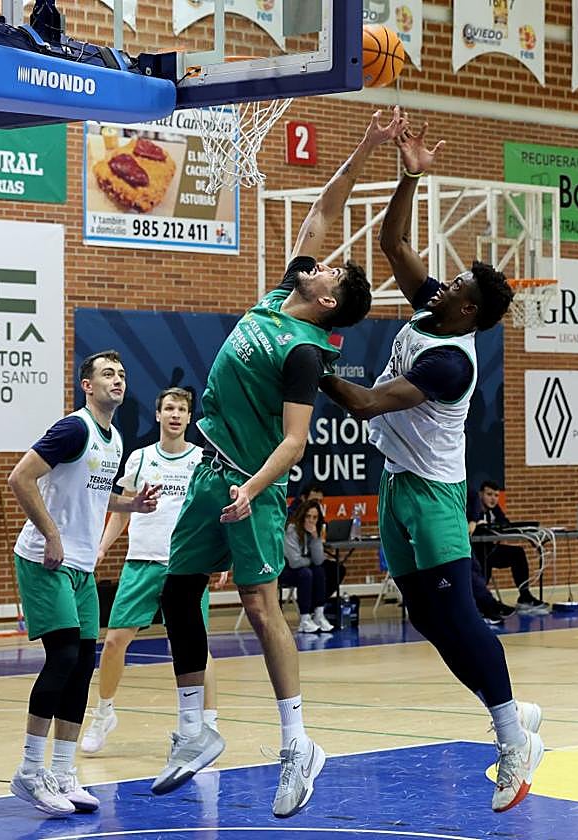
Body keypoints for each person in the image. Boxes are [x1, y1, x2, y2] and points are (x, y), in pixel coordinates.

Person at [151, 108, 397, 818]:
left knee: (261, 608)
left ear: (326, 302)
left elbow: (295, 442)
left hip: (250, 486)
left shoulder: (303, 350)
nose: (322, 262)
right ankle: (194, 729)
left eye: (330, 272)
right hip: (211, 468)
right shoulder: (276, 297)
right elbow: (324, 210)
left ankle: (298, 742)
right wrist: (364, 146)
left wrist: (252, 489)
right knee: (178, 593)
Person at [318, 118, 544, 813]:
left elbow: (362, 403)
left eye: (454, 285)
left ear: (468, 310)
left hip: (436, 497)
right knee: (427, 618)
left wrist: (298, 356)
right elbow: (391, 242)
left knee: (465, 620)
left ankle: (512, 740)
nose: (439, 282)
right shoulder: (433, 312)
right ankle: (511, 710)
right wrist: (410, 171)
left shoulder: (451, 360)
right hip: (397, 486)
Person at [6, 350, 160, 817]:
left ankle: (63, 770)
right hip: (45, 559)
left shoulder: (113, 439)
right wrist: (51, 533)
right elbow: (21, 477)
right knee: (64, 656)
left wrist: (130, 505)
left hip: (81, 567)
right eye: (107, 374)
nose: (117, 379)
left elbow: (93, 489)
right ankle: (30, 772)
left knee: (81, 665)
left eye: (122, 373)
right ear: (87, 386)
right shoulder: (74, 427)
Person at [82, 387, 227, 755]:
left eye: (182, 409)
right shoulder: (140, 458)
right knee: (114, 641)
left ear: (190, 417)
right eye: (169, 409)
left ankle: (205, 725)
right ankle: (104, 713)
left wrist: (222, 557)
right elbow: (123, 510)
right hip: (142, 562)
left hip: (187, 564)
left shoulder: (202, 460)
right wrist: (102, 546)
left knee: (199, 650)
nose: (176, 415)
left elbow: (214, 511)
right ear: (158, 415)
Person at [468, 480, 549, 617]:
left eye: (496, 495)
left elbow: (505, 524)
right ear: (480, 494)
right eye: (489, 494)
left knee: (517, 553)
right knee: (481, 563)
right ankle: (481, 604)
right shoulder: (472, 510)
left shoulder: (494, 510)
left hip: (491, 550)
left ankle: (525, 596)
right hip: (475, 553)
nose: (493, 499)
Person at [282, 499, 333, 633]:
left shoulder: (313, 532)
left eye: (315, 517)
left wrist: (316, 537)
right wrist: (310, 560)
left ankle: (318, 614)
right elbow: (294, 562)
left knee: (320, 571)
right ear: (302, 516)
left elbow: (318, 561)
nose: (311, 520)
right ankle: (304, 619)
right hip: (284, 570)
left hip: (302, 568)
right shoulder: (291, 529)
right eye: (308, 516)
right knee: (306, 573)